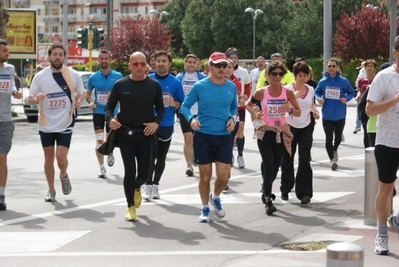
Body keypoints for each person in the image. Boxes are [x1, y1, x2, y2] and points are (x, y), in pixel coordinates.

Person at [105, 51, 164, 222]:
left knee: (145, 174)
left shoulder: (154, 85)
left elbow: (161, 109)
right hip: (125, 133)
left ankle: (138, 186)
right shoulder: (120, 84)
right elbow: (109, 107)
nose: (139, 67)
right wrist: (110, 120)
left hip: (146, 133)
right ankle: (130, 206)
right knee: (129, 171)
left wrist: (156, 123)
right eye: (135, 64)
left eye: (142, 63)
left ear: (146, 65)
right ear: (129, 66)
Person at [181, 52, 237, 223]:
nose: (222, 69)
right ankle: (205, 207)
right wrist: (192, 119)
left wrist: (231, 118)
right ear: (210, 66)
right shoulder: (199, 86)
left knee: (223, 176)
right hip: (204, 135)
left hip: (224, 136)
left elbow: (233, 108)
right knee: (205, 176)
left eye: (225, 66)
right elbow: (184, 107)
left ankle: (216, 196)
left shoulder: (231, 87)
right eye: (218, 66)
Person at [28, 43, 86, 202]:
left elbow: (81, 94)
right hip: (46, 123)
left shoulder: (73, 75)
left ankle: (63, 174)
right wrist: (36, 98)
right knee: (48, 157)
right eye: (55, 54)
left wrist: (78, 101)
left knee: (61, 158)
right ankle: (51, 190)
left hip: (65, 123)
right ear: (49, 57)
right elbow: (30, 98)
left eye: (61, 54)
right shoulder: (40, 76)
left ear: (64, 57)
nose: (58, 57)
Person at [246, 61, 300, 215]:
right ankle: (268, 200)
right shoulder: (261, 92)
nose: (277, 77)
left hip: (281, 133)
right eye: (274, 74)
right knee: (269, 165)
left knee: (276, 166)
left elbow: (298, 112)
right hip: (265, 131)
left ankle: (265, 188)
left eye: (280, 74)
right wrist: (255, 113)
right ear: (267, 76)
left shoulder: (287, 93)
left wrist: (289, 109)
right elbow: (249, 105)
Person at [366, 37, 399, 255]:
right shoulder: (384, 77)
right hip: (388, 141)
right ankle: (381, 234)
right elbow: (370, 110)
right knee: (386, 189)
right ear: (396, 52)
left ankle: (396, 218)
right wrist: (396, 99)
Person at [143, 50, 184, 200]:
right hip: (149, 123)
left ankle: (155, 185)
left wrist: (174, 103)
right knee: (149, 156)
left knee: (161, 157)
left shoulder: (176, 82)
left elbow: (182, 103)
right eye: (158, 61)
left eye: (163, 61)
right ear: (154, 62)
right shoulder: (147, 80)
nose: (160, 63)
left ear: (169, 63)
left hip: (166, 123)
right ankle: (147, 185)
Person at [280, 61, 320, 204]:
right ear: (294, 76)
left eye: (305, 75)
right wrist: (294, 96)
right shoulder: (287, 89)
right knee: (287, 158)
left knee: (304, 158)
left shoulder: (310, 89)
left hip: (306, 126)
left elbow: (310, 104)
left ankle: (304, 193)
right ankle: (285, 188)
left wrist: (315, 112)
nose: (302, 78)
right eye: (299, 75)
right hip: (290, 125)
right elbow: (284, 107)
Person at [86, 50, 123, 178]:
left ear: (110, 59)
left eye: (106, 58)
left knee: (109, 139)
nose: (104, 61)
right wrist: (90, 102)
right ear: (98, 60)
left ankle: (110, 150)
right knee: (99, 140)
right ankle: (102, 168)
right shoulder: (93, 77)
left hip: (112, 113)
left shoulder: (118, 76)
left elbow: (123, 94)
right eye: (101, 58)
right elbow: (87, 94)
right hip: (98, 112)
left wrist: (114, 97)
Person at [314, 58, 354, 170]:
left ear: (337, 68)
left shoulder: (343, 81)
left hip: (340, 114)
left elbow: (351, 92)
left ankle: (335, 148)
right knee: (328, 138)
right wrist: (319, 98)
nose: (331, 68)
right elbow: (317, 92)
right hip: (327, 114)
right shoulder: (323, 82)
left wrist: (346, 98)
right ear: (327, 67)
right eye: (329, 66)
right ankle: (332, 160)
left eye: (333, 66)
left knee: (338, 138)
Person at [0, 39, 22, 210]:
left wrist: (15, 92)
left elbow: (12, 85)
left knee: (2, 157)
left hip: (5, 120)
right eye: (4, 50)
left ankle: (1, 196)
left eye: (8, 50)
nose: (8, 53)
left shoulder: (10, 69)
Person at [176, 54, 207, 177]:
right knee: (188, 138)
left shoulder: (202, 78)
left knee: (198, 139)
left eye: (194, 62)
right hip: (185, 112)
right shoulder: (179, 78)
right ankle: (189, 165)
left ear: (197, 64)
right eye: (189, 62)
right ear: (185, 64)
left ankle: (196, 157)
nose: (191, 64)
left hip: (200, 112)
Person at [225, 47, 251, 168]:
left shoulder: (243, 72)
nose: (233, 60)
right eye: (231, 58)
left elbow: (247, 87)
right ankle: (229, 155)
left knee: (240, 130)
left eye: (235, 57)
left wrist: (245, 97)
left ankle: (240, 155)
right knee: (229, 132)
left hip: (240, 106)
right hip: (227, 107)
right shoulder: (223, 71)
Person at [355, 59, 376, 148]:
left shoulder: (377, 79)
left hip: (374, 106)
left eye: (371, 66)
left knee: (372, 130)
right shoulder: (361, 80)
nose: (369, 68)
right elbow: (360, 91)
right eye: (368, 66)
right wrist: (358, 96)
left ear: (374, 68)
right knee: (365, 129)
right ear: (365, 67)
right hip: (364, 107)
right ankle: (367, 149)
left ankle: (374, 147)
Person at [353, 61, 366, 134]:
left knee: (359, 111)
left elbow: (356, 84)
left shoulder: (361, 74)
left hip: (361, 94)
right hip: (368, 95)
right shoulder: (373, 74)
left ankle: (358, 126)